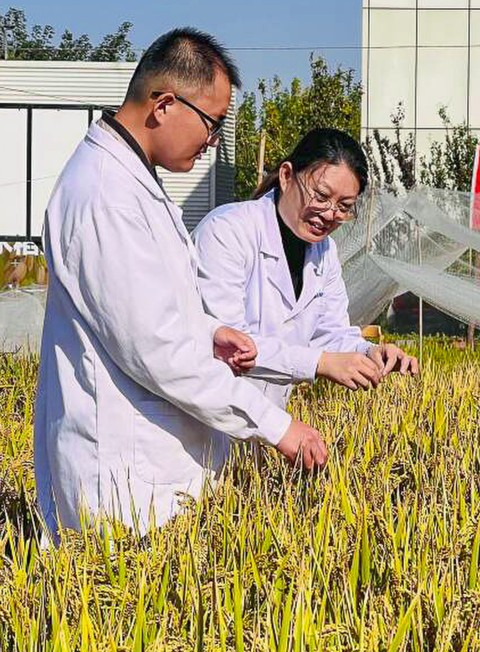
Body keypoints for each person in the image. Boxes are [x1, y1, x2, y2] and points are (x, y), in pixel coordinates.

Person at [34, 28, 327, 544]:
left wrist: (207, 329)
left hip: (150, 474)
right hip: (122, 489)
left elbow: (145, 308)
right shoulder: (106, 196)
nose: (213, 141)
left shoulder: (134, 182)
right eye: (212, 124)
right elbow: (158, 349)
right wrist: (276, 426)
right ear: (165, 104)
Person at [192, 128, 418, 416]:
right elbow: (229, 344)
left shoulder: (324, 252)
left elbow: (329, 332)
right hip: (209, 420)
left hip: (266, 421)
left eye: (344, 207)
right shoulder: (228, 231)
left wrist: (369, 353)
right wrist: (320, 363)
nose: (329, 214)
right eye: (321, 196)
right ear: (287, 176)